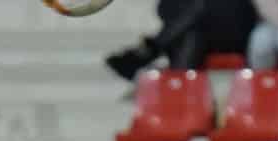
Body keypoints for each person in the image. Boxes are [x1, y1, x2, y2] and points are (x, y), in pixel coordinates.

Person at [105, 0, 260, 81]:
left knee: (201, 9)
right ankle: (178, 99)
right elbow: (164, 9)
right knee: (192, 35)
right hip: (202, 33)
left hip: (238, 32)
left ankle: (151, 49)